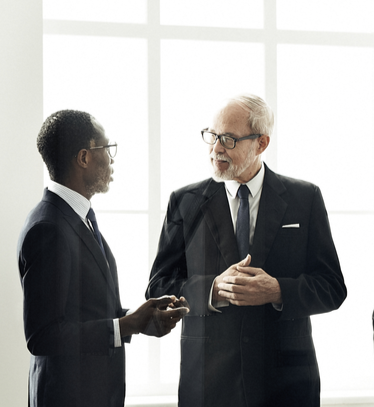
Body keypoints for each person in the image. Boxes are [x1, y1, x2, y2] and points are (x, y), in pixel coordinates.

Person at [146, 94, 346, 406]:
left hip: (287, 384)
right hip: (208, 384)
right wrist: (213, 289)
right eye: (212, 136)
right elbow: (157, 288)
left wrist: (278, 291)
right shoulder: (185, 201)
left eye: (228, 139)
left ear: (261, 143)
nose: (215, 149)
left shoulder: (304, 198)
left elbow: (332, 288)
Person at [19, 110, 185, 406]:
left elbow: (84, 311)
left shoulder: (77, 218)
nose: (111, 159)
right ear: (83, 158)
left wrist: (141, 321)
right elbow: (42, 335)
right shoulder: (49, 228)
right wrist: (126, 325)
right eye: (107, 149)